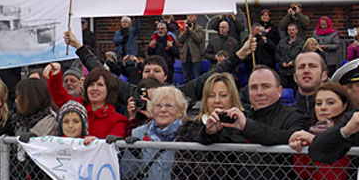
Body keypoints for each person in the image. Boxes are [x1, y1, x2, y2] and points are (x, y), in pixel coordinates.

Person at [64, 29, 256, 109]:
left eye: (156, 71)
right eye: (147, 71)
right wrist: (79, 47)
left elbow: (211, 76)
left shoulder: (179, 94)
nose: (151, 75)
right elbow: (102, 73)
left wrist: (240, 54)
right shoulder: (132, 93)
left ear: (165, 76)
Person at [292, 50, 329, 115]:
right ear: (295, 77)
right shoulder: (285, 117)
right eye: (301, 67)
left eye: (312, 66)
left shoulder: (336, 114)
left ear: (324, 75)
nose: (306, 71)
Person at [178, 14, 205, 80]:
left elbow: (199, 39)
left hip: (195, 57)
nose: (189, 17)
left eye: (192, 15)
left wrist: (191, 31)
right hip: (185, 56)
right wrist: (186, 31)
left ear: (195, 17)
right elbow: (180, 40)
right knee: (186, 77)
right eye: (188, 16)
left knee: (196, 77)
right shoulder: (184, 28)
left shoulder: (199, 28)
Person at [276, 22, 302, 88]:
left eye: (293, 30)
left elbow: (302, 55)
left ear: (296, 31)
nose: (291, 31)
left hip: (294, 71)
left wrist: (293, 62)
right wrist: (282, 62)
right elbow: (277, 54)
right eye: (289, 30)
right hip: (283, 71)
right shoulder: (282, 42)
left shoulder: (301, 42)